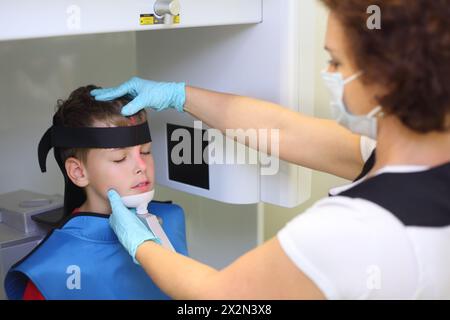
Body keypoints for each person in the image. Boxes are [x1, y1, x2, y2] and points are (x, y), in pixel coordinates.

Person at [91, 0, 450, 299]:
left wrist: (142, 244)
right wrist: (179, 95)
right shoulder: (414, 159)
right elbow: (283, 131)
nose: (327, 72)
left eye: (336, 62)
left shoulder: (354, 229)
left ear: (385, 79)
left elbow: (220, 299)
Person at [4, 85, 188, 300]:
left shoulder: (171, 220)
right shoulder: (49, 270)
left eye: (146, 152)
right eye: (120, 158)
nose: (141, 166)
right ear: (78, 172)